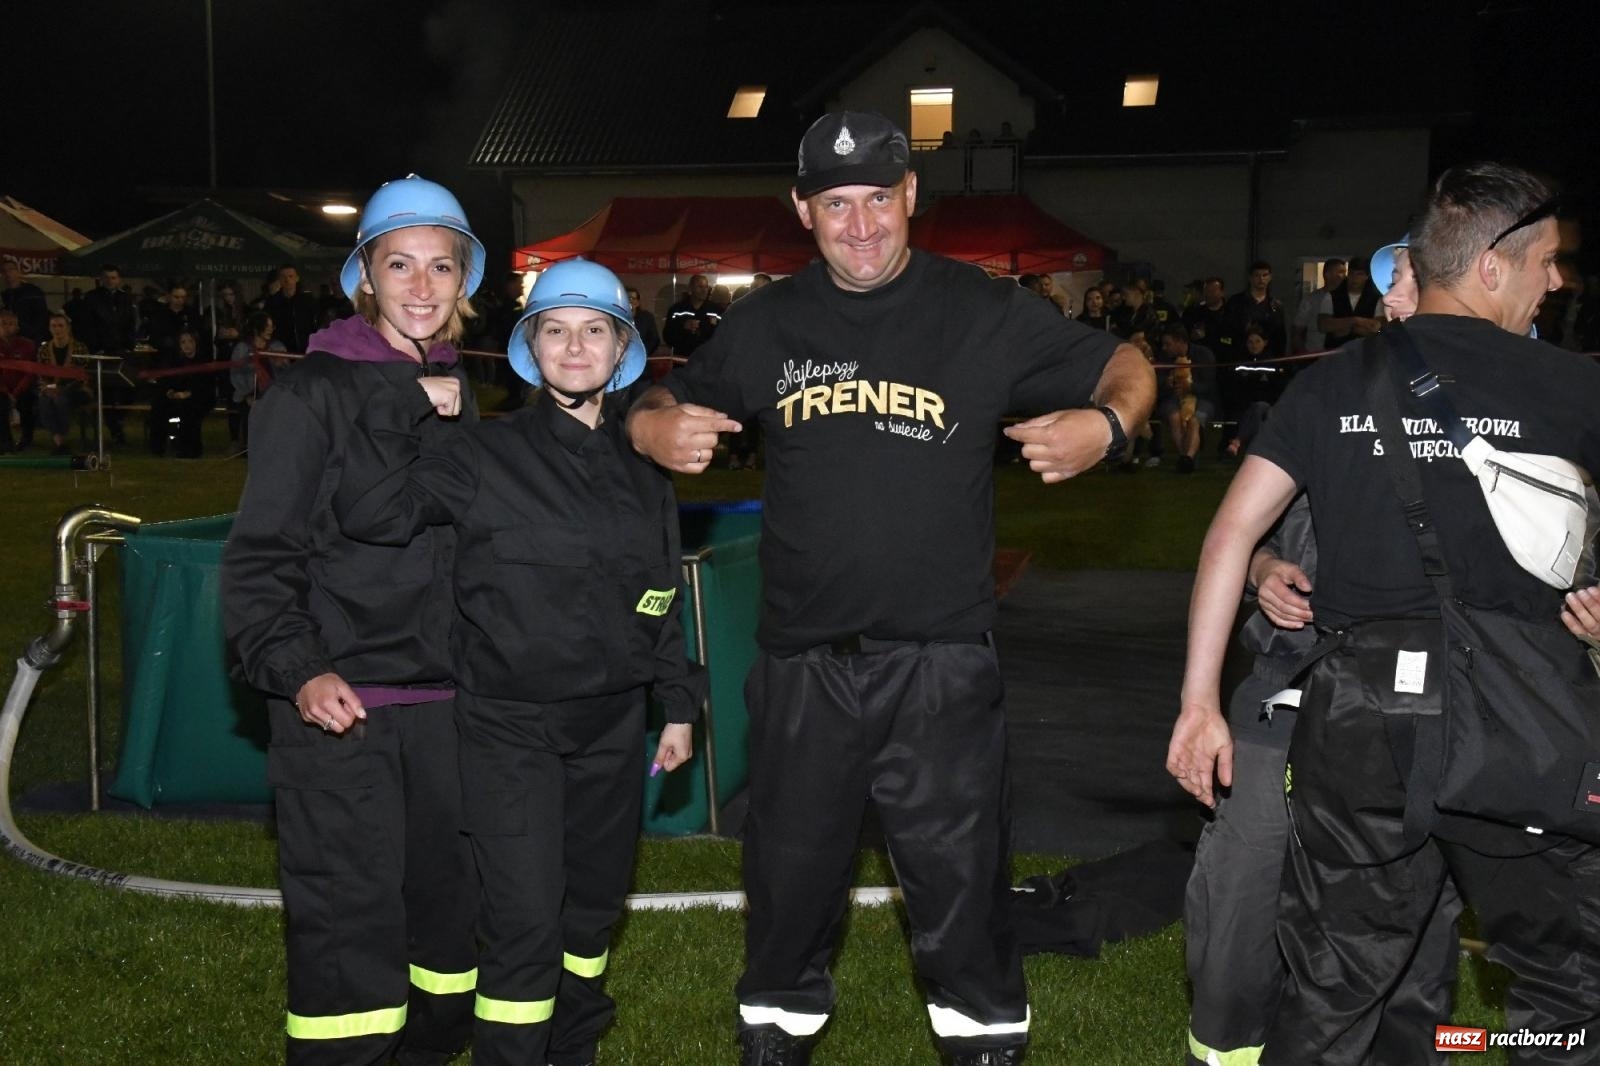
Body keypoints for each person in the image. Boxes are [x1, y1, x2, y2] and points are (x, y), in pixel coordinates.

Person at [627, 110, 1154, 1066]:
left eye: (879, 197)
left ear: (912, 196)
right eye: (837, 203)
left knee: (960, 885)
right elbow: (663, 399)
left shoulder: (981, 310)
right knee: (787, 885)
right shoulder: (770, 323)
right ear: (803, 210)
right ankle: (775, 1036)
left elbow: (1128, 364)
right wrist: (652, 430)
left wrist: (1109, 428)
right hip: (802, 668)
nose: (861, 223)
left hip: (940, 663)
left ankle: (984, 1041)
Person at [1168, 162, 1600, 1064]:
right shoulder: (1570, 389)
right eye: (1547, 262)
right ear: (1491, 267)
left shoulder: (1333, 384)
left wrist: (1200, 705)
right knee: (1567, 990)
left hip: (1362, 723)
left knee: (1334, 984)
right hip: (1521, 722)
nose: (1556, 282)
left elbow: (1228, 536)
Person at [334, 257, 704, 1066]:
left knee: (591, 915)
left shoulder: (645, 468)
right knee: (525, 919)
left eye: (594, 330)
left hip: (612, 729)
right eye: (557, 331)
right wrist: (401, 404)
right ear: (533, 350)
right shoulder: (481, 456)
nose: (576, 347)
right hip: (508, 731)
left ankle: (572, 1048)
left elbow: (658, 593)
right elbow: (369, 511)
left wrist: (677, 701)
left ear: (621, 349)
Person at [1177, 232, 1463, 1066]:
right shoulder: (1331, 396)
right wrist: (1266, 570)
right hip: (1291, 688)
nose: (1393, 301)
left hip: (1432, 707)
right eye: (1390, 287)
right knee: (1241, 900)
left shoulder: (1506, 405)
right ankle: (1230, 1049)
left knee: (1410, 918)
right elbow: (1241, 536)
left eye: (1410, 283)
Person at [220, 174, 483, 1066]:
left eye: (439, 266)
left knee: (449, 945)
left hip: (448, 716)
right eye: (398, 264)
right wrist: (298, 669)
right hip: (346, 714)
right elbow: (260, 562)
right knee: (351, 949)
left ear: (463, 281)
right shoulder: (309, 395)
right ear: (363, 276)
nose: (420, 286)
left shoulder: (455, 387)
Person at [35, 311, 89, 455]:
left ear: (68, 328)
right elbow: (40, 372)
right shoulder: (44, 349)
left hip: (75, 389)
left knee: (60, 400)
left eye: (60, 325)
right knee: (44, 401)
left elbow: (82, 374)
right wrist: (49, 387)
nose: (57, 329)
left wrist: (62, 388)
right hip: (51, 388)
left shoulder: (79, 348)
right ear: (49, 328)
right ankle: (59, 440)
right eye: (53, 326)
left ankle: (61, 437)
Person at [1292, 257, 1346, 353]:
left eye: (1344, 272)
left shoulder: (1347, 299)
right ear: (1327, 274)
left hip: (1340, 354)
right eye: (1340, 272)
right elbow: (1298, 330)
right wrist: (1304, 354)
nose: (1343, 276)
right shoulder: (1311, 299)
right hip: (1315, 353)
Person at [263, 263, 319, 353]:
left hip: (305, 348)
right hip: (281, 350)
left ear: (297, 278)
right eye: (283, 277)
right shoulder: (272, 302)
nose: (287, 280)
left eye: (290, 276)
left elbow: (315, 323)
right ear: (279, 280)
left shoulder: (308, 300)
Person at [661, 273, 720, 357]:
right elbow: (667, 336)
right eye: (700, 287)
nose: (704, 290)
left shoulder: (716, 310)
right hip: (683, 360)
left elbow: (723, 335)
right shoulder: (677, 310)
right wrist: (683, 327)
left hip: (708, 361)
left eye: (706, 287)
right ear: (690, 289)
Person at [1, 259, 49, 342]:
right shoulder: (5, 295)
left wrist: (33, 335)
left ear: (18, 272)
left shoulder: (33, 292)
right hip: (10, 339)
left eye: (11, 269)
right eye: (4, 271)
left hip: (31, 338)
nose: (7, 273)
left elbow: (42, 316)